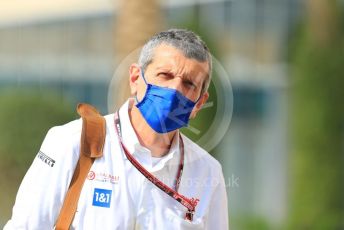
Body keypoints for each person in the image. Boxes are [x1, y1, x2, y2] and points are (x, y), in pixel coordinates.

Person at [5, 29, 228, 229]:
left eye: (189, 84)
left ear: (199, 103)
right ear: (134, 78)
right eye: (165, 75)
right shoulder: (71, 141)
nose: (174, 90)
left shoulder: (207, 173)